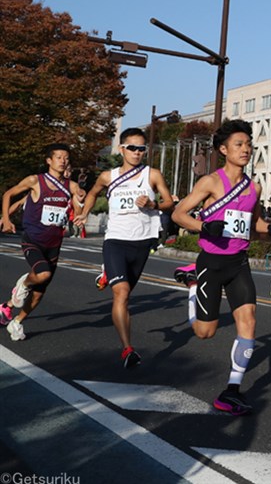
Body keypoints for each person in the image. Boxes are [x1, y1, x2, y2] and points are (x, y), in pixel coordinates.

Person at [171, 119, 271, 415]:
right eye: (239, 145)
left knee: (249, 320)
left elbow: (254, 227)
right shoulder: (211, 182)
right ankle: (192, 284)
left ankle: (231, 391)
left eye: (249, 144)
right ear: (223, 149)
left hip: (238, 263)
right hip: (211, 262)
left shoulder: (254, 186)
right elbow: (179, 214)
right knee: (205, 333)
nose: (246, 149)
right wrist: (205, 228)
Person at [75, 128, 175, 367]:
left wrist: (153, 203)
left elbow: (170, 202)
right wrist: (84, 212)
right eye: (132, 148)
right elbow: (93, 192)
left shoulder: (153, 175)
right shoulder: (108, 176)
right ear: (122, 149)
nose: (137, 153)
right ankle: (127, 349)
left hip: (142, 241)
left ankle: (108, 272)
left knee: (126, 289)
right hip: (116, 240)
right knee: (122, 293)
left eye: (142, 149)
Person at [0, 144, 84, 340]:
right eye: (59, 157)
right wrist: (6, 219)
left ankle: (17, 322)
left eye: (66, 158)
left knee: (39, 293)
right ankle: (23, 283)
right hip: (33, 239)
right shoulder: (35, 181)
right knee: (42, 273)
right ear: (49, 160)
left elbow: (78, 206)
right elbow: (8, 195)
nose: (63, 161)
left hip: (54, 243)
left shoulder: (70, 186)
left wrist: (79, 209)